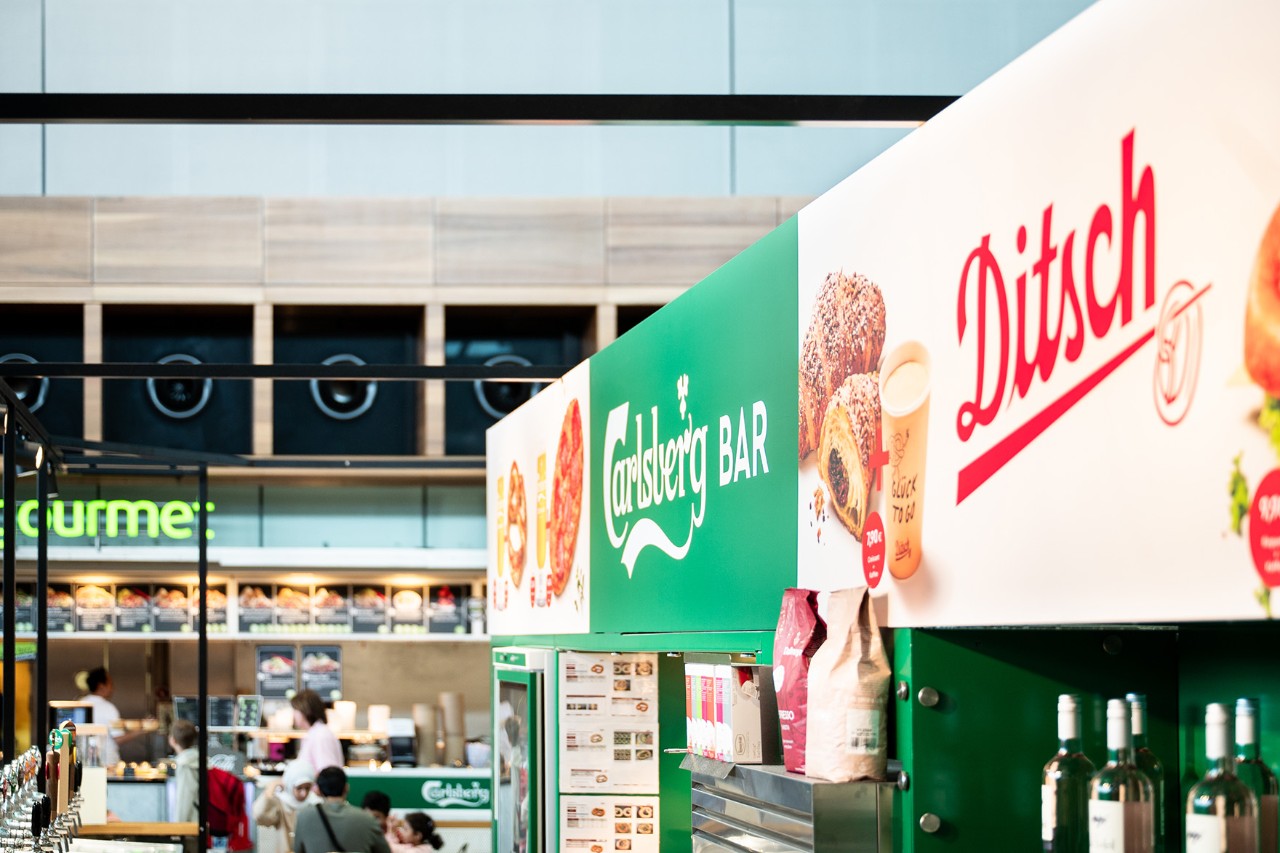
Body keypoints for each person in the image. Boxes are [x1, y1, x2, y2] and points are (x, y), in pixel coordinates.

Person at [292, 767, 390, 853]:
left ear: (318, 791)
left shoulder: (304, 817)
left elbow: (298, 850)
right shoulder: (367, 819)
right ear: (346, 788)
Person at [253, 760, 320, 853]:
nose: (303, 794)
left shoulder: (315, 803)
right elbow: (260, 816)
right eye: (299, 788)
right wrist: (270, 790)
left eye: (307, 788)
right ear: (289, 785)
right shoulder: (280, 803)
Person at [76, 667, 123, 766]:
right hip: (108, 764)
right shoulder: (109, 708)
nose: (112, 688)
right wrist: (142, 729)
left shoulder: (79, 704)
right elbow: (119, 738)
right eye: (110, 684)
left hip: (83, 764)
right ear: (101, 686)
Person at [290, 690, 344, 772]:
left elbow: (327, 773)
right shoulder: (315, 733)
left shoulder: (320, 736)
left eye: (295, 710)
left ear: (304, 710)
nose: (293, 715)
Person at [168, 719, 200, 823]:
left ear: (172, 740)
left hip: (192, 824)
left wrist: (177, 832)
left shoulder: (185, 764)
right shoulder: (198, 758)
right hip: (203, 821)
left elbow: (184, 800)